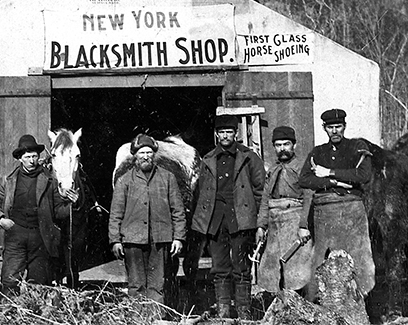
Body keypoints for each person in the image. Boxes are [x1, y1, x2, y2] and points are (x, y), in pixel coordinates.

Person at [191, 115, 265, 319]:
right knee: (220, 267)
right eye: (221, 132)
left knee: (241, 267)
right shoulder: (208, 159)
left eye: (229, 132)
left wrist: (257, 220)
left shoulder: (248, 157)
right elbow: (201, 193)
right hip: (216, 221)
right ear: (216, 134)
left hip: (241, 220)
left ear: (236, 134)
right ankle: (223, 314)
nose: (225, 136)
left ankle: (244, 313)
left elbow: (260, 191)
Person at [0, 134, 76, 295]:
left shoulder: (49, 180)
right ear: (20, 158)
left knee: (39, 283)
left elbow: (58, 211)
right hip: (15, 236)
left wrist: (72, 205)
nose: (32, 160)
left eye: (35, 156)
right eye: (28, 157)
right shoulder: (8, 180)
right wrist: (1, 220)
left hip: (40, 237)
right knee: (10, 280)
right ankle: (10, 313)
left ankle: (35, 314)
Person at [298, 108, 375, 297]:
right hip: (325, 213)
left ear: (344, 126)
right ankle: (320, 303)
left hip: (352, 211)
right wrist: (334, 182)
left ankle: (360, 302)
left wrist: (329, 172)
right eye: (330, 127)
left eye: (338, 126)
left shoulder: (357, 147)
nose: (334, 131)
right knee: (321, 260)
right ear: (324, 128)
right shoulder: (318, 152)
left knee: (358, 258)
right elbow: (305, 179)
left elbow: (364, 176)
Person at [109, 133, 186, 310]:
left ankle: (156, 318)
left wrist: (178, 237)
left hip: (160, 240)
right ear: (135, 156)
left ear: (154, 155)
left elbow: (178, 211)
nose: (145, 157)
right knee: (136, 285)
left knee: (157, 284)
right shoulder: (124, 181)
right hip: (133, 240)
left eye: (149, 153)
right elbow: (115, 214)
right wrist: (115, 240)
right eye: (142, 153)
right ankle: (138, 318)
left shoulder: (167, 178)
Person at [255, 125, 314, 293]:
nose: (282, 149)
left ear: (294, 145)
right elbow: (266, 198)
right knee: (273, 268)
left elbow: (309, 197)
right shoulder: (273, 170)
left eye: (286, 144)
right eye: (278, 145)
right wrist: (261, 226)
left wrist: (304, 226)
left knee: (298, 269)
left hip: (295, 224)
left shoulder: (303, 168)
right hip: (275, 226)